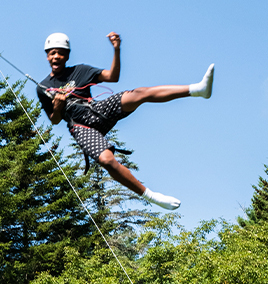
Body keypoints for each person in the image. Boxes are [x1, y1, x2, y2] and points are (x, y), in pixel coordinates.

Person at [37, 32, 215, 210]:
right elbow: (54, 120)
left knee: (139, 94)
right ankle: (152, 196)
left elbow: (112, 77)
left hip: (97, 110)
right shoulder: (43, 87)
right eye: (52, 53)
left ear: (67, 55)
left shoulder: (80, 71)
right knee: (107, 161)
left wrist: (116, 50)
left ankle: (197, 90)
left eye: (60, 52)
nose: (56, 56)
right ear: (47, 56)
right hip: (81, 127)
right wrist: (58, 106)